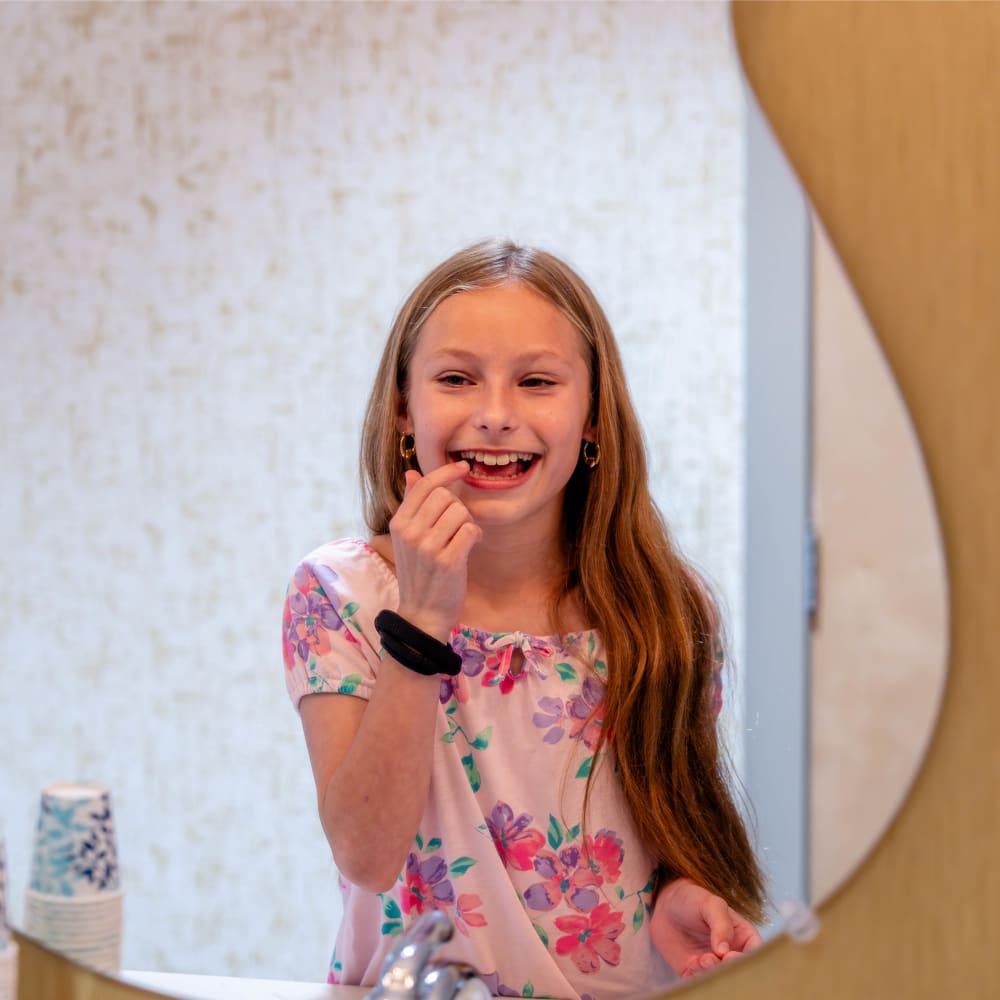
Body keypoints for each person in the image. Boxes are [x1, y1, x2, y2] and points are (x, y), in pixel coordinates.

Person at [282, 239, 767, 999]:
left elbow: (671, 836)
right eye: (455, 379)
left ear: (595, 418)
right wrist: (420, 621)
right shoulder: (341, 595)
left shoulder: (666, 609)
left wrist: (679, 894)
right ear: (405, 410)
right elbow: (368, 856)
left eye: (537, 381)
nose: (496, 415)